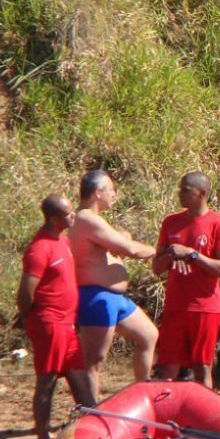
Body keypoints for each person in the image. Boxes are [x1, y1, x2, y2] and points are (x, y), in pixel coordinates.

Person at [69, 170, 158, 401]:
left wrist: (123, 241)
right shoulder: (86, 219)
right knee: (95, 360)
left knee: (148, 335)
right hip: (97, 296)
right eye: (111, 189)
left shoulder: (95, 220)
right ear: (98, 192)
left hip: (114, 297)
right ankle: (91, 411)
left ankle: (143, 395)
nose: (114, 194)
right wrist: (159, 251)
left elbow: (116, 246)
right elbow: (131, 250)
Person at [17, 195, 95, 439]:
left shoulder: (62, 239)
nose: (73, 216)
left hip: (67, 324)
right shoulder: (39, 249)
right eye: (68, 213)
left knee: (79, 378)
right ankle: (42, 438)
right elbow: (26, 292)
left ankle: (94, 432)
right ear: (53, 218)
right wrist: (31, 317)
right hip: (50, 324)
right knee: (47, 382)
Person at [152, 172, 220, 388]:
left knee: (201, 367)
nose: (180, 194)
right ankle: (166, 417)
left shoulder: (219, 224)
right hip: (175, 306)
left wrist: (192, 254)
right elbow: (156, 268)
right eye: (180, 189)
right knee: (167, 367)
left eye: (185, 190)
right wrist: (171, 254)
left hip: (205, 307)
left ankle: (204, 418)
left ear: (202, 193)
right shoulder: (171, 222)